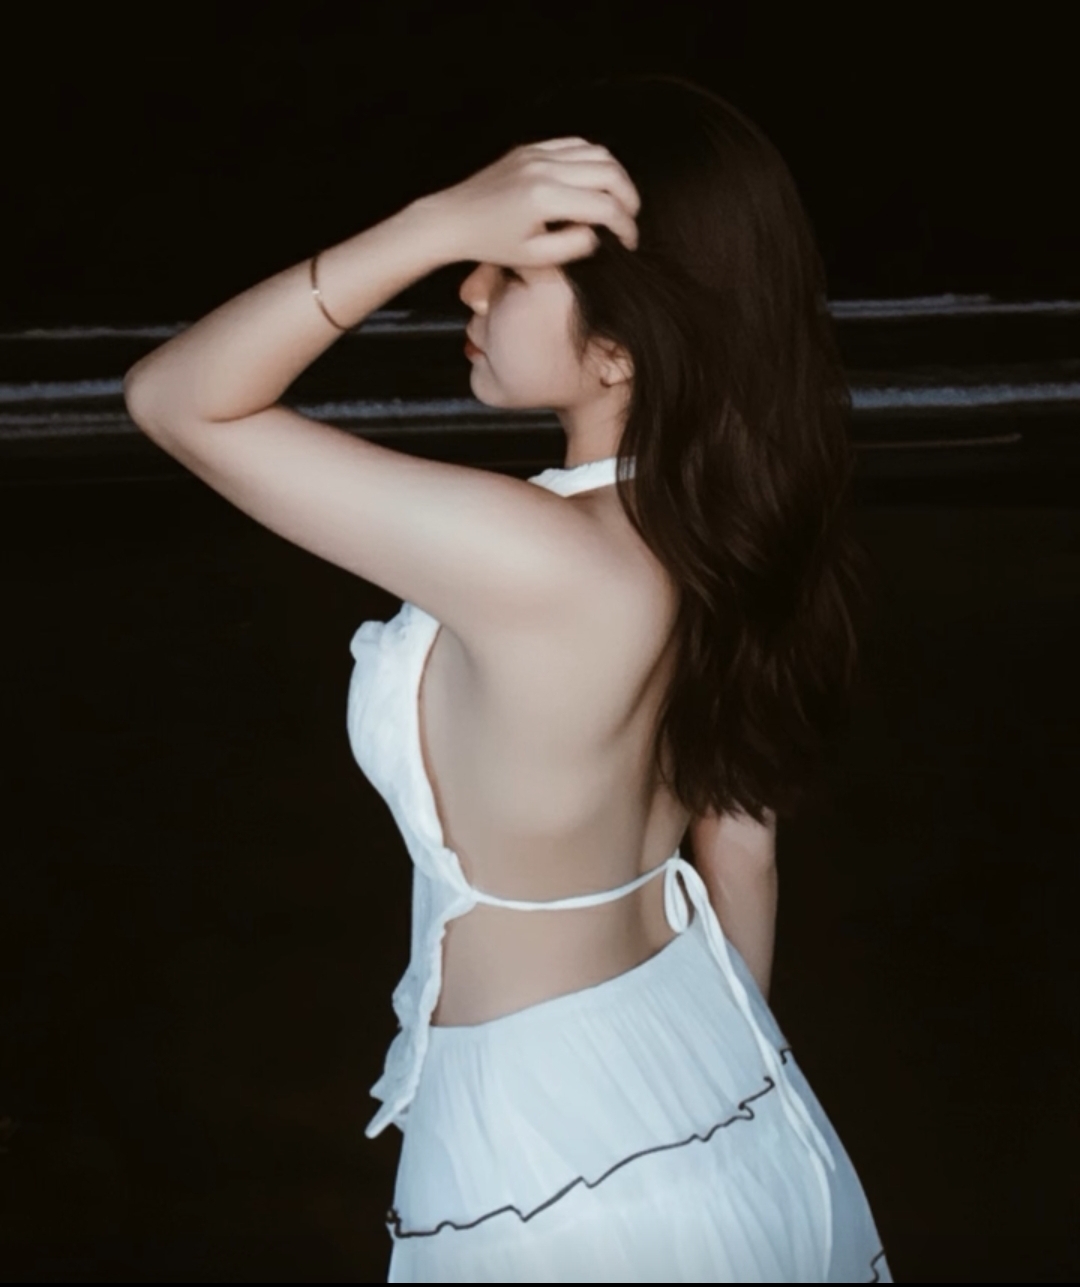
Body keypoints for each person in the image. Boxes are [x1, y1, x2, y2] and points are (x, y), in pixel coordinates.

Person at [124, 72, 890, 1283]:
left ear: (622, 347)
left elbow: (177, 401)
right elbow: (743, 852)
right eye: (479, 252)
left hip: (554, 1163)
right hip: (732, 1088)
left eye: (513, 264)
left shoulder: (538, 556)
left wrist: (430, 222)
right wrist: (719, 1094)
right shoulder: (723, 530)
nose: (469, 287)